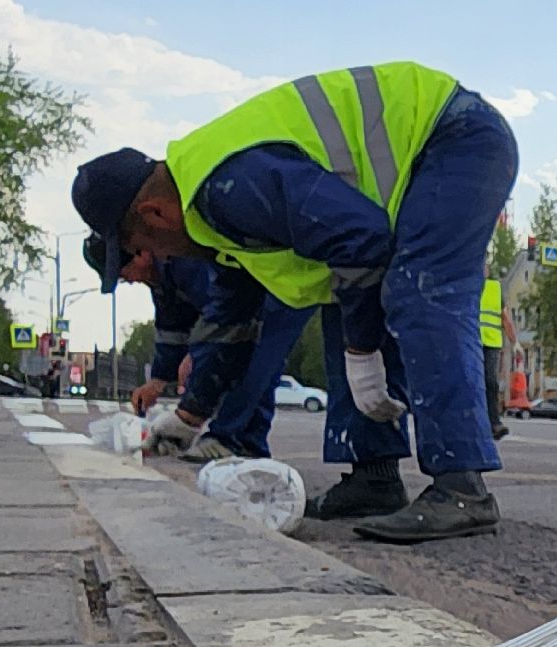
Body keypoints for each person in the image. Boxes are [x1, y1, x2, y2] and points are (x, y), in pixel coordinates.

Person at [70, 61, 517, 542]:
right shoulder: (210, 214)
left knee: (419, 288)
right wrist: (190, 416)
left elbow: (363, 240)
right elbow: (233, 322)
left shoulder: (231, 185)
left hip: (454, 137)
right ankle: (375, 477)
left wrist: (363, 351)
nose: (152, 257)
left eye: (141, 245)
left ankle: (462, 487)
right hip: (429, 150)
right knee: (339, 301)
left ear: (153, 212)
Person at [85, 232, 312, 461]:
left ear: (142, 253)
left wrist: (189, 413)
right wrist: (158, 380)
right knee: (241, 359)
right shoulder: (161, 276)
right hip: (249, 303)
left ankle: (235, 442)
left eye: (123, 274)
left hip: (277, 289)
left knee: (255, 360)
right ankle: (236, 441)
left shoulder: (188, 264)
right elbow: (172, 328)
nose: (130, 281)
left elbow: (224, 323)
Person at [480, 273, 508, 440]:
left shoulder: (495, 288)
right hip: (469, 341)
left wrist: (515, 342)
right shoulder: (466, 283)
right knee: (470, 382)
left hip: (491, 343)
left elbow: (505, 318)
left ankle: (494, 423)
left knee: (490, 382)